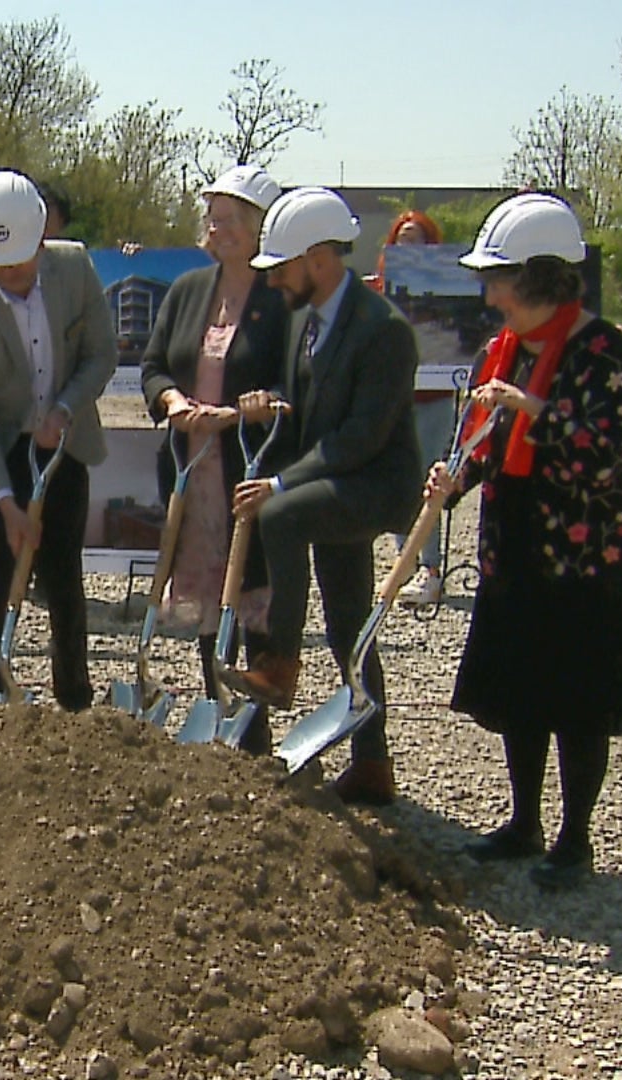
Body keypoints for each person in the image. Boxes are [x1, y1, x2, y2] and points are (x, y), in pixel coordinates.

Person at [433, 192, 622, 890]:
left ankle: (574, 840)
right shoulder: (502, 351)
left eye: (499, 276)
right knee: (521, 690)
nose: (489, 291)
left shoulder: (603, 350)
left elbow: (603, 451)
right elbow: (484, 440)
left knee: (574, 697)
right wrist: (454, 477)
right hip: (515, 541)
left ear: (540, 276)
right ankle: (523, 821)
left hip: (584, 551)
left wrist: (537, 410)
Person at [224, 187, 422, 805]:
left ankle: (280, 662)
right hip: (334, 486)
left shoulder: (383, 330)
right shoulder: (305, 323)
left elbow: (361, 437)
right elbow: (308, 410)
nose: (276, 282)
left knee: (279, 515)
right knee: (349, 627)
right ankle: (373, 764)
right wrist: (272, 406)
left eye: (282, 268)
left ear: (317, 259)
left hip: (375, 487)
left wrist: (282, 483)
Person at [0, 171, 115, 709]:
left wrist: (65, 406)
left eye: (20, 264)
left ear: (41, 237)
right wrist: (6, 504)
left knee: (63, 574)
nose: (10, 277)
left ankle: (75, 700)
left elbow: (101, 354)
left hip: (62, 439)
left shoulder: (74, 268)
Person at [139, 164, 289, 755]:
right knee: (205, 595)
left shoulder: (279, 299)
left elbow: (290, 381)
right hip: (191, 466)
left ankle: (255, 729)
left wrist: (248, 411)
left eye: (227, 219)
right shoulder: (187, 291)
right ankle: (215, 707)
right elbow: (154, 366)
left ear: (258, 230)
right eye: (211, 216)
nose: (214, 227)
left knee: (251, 593)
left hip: (248, 462)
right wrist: (172, 400)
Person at [374, 210, 457, 606]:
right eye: (403, 239)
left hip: (436, 398)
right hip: (396, 397)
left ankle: (431, 569)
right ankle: (405, 561)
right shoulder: (377, 292)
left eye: (418, 239)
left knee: (426, 479)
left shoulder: (447, 290)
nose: (410, 246)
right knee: (397, 478)